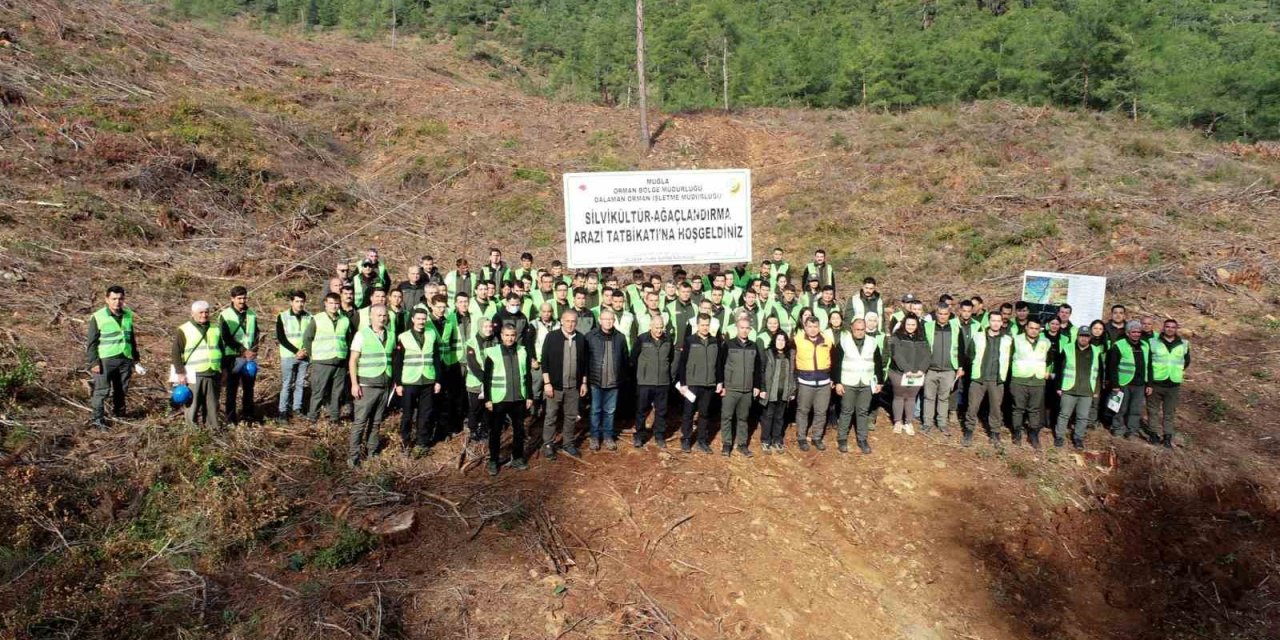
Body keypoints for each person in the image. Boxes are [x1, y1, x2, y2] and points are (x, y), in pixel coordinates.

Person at [483, 323, 534, 475]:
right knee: (495, 431)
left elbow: (528, 376)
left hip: (519, 398)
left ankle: (517, 458)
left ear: (516, 335)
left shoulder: (523, 351)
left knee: (519, 430)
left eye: (512, 335)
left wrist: (529, 396)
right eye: (506, 335)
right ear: (501, 336)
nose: (510, 338)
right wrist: (488, 399)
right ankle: (493, 460)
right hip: (499, 399)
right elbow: (487, 378)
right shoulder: (492, 352)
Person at [86, 284, 138, 429]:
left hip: (124, 358)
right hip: (105, 360)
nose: (117, 302)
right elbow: (91, 342)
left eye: (120, 299)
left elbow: (130, 336)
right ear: (107, 299)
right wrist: (93, 362)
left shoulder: (128, 315)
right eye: (114, 299)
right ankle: (98, 420)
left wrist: (135, 356)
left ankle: (119, 416)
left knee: (121, 389)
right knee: (102, 391)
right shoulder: (98, 317)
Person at [348, 305, 393, 467]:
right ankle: (353, 457)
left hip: (384, 384)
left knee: (376, 422)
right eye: (379, 315)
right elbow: (353, 360)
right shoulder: (362, 335)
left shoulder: (391, 335)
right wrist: (354, 383)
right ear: (371, 317)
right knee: (360, 422)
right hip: (366, 385)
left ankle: (372, 452)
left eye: (384, 315)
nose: (382, 318)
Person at [832, 318, 884, 454]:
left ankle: (862, 439)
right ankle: (842, 438)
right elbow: (836, 363)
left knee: (862, 412)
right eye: (857, 329)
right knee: (846, 411)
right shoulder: (843, 342)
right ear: (852, 329)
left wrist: (879, 382)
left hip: (866, 383)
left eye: (862, 329)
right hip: (848, 382)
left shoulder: (872, 342)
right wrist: (837, 382)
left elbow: (878, 363)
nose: (860, 332)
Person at [541, 309, 587, 459]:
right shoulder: (552, 337)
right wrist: (547, 383)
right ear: (561, 321)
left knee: (571, 416)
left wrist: (584, 383)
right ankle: (548, 443)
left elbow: (585, 364)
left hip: (573, 387)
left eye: (573, 321)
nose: (570, 324)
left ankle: (568, 443)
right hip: (554, 386)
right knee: (551, 416)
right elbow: (545, 361)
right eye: (567, 320)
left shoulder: (581, 339)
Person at [394, 308, 441, 455]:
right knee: (407, 414)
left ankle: (422, 443)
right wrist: (398, 383)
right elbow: (398, 362)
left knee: (425, 414)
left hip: (427, 379)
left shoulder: (432, 334)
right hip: (409, 380)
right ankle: (405, 443)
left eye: (423, 319)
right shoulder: (403, 337)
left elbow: (436, 359)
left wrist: (438, 380)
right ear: (413, 319)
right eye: (418, 319)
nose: (421, 321)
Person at [172, 300, 223, 429]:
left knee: (212, 405)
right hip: (193, 374)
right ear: (193, 314)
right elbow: (176, 352)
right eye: (200, 312)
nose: (204, 315)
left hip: (213, 372)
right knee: (192, 405)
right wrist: (180, 373)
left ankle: (213, 430)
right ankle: (192, 432)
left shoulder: (215, 329)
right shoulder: (184, 329)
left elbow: (220, 349)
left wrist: (224, 369)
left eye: (206, 312)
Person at [676, 313, 722, 453]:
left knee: (704, 413)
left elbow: (719, 364)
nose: (705, 327)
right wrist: (683, 383)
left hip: (708, 384)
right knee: (688, 413)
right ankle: (686, 439)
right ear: (697, 325)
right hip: (692, 384)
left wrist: (719, 381)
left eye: (707, 325)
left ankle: (702, 441)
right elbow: (682, 363)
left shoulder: (715, 341)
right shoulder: (690, 340)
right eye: (702, 325)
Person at [304, 292, 352, 424]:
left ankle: (335, 418)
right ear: (325, 304)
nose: (334, 306)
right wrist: (313, 354)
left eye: (336, 303)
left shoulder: (345, 320)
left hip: (340, 361)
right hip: (322, 361)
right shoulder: (317, 319)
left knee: (337, 393)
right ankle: (313, 417)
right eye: (331, 303)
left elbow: (348, 340)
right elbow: (307, 338)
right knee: (318, 392)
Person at [718, 317, 763, 457]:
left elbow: (757, 367)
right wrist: (722, 384)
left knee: (743, 418)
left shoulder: (753, 346)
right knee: (727, 417)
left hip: (747, 389)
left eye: (747, 328)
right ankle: (726, 444)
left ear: (750, 330)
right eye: (741, 327)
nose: (744, 330)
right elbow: (720, 365)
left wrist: (756, 385)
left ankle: (742, 444)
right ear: (737, 328)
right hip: (730, 388)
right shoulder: (728, 344)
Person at [965, 312, 1011, 446]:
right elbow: (969, 355)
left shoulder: (1008, 340)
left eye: (998, 320)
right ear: (989, 322)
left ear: (1002, 323)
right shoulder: (978, 337)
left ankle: (995, 432)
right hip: (979, 377)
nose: (996, 323)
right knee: (972, 406)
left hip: (997, 379)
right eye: (993, 320)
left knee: (996, 408)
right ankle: (968, 431)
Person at [585, 308, 628, 450]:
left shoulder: (620, 337)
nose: (608, 322)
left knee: (610, 411)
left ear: (614, 321)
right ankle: (595, 437)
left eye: (611, 319)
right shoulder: (591, 337)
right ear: (600, 320)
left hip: (613, 382)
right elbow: (585, 359)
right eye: (605, 319)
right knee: (596, 410)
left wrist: (622, 378)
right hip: (596, 381)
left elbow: (625, 359)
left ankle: (608, 436)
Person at [1055, 327, 1102, 449]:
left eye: (1086, 336)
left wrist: (1096, 390)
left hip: (1087, 390)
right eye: (1081, 335)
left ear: (1090, 338)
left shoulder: (1096, 351)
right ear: (1077, 336)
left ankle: (1078, 438)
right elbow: (1059, 369)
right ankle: (1059, 437)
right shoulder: (1068, 348)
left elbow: (1099, 373)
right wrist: (1059, 387)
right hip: (1069, 388)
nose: (1084, 338)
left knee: (1082, 416)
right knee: (1064, 414)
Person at [632, 314, 674, 448]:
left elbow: (671, 358)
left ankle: (659, 435)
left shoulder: (668, 340)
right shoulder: (642, 339)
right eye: (656, 327)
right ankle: (639, 435)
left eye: (661, 327)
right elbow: (634, 358)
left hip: (662, 382)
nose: (659, 330)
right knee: (641, 410)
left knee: (661, 410)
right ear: (650, 326)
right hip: (645, 382)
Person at [220, 286, 260, 424]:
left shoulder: (252, 314)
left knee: (249, 388)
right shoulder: (225, 315)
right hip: (232, 357)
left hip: (249, 357)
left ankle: (248, 415)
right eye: (239, 298)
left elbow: (256, 333)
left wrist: (254, 351)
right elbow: (225, 337)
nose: (242, 301)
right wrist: (243, 351)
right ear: (232, 299)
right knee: (232, 389)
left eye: (244, 298)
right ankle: (230, 418)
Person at [1147, 318, 1189, 448]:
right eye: (1167, 326)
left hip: (1173, 384)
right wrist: (1149, 382)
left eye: (1172, 327)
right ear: (1163, 328)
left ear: (1176, 329)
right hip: (1156, 382)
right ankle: (1153, 434)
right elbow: (1147, 363)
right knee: (1153, 411)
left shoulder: (1183, 344)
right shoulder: (1153, 342)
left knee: (1169, 413)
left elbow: (1186, 361)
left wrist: (1176, 371)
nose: (1170, 329)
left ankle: (1167, 437)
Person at [793, 315, 834, 451]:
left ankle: (816, 437)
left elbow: (834, 359)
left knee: (821, 411)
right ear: (805, 327)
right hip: (805, 381)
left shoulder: (827, 340)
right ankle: (801, 437)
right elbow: (791, 360)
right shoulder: (797, 340)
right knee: (803, 411)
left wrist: (833, 378)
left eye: (815, 326)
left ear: (819, 327)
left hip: (824, 382)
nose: (812, 329)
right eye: (809, 326)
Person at [1009, 318, 1051, 448]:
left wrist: (1047, 372)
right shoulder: (1016, 339)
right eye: (1031, 328)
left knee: (1035, 410)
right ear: (1026, 327)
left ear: (1040, 330)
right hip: (1019, 379)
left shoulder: (1045, 342)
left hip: (1037, 380)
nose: (1033, 331)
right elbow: (1009, 358)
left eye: (1036, 329)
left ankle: (1033, 435)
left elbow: (1048, 360)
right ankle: (1017, 433)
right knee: (1018, 409)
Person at [922, 304, 963, 435]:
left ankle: (942, 423)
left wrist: (960, 366)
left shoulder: (956, 327)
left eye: (945, 314)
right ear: (936, 313)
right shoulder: (928, 326)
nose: (942, 316)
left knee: (944, 398)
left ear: (949, 314)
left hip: (949, 369)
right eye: (940, 313)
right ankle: (927, 423)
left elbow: (961, 348)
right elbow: (922, 347)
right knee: (928, 397)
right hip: (931, 369)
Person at [1107, 319, 1150, 440]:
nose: (1136, 334)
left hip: (1140, 384)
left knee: (1135, 410)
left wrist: (1149, 383)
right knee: (1121, 408)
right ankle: (1117, 428)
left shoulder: (1145, 346)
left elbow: (1149, 365)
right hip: (1123, 382)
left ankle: (1132, 431)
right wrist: (1115, 384)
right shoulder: (1119, 346)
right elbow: (1112, 367)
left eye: (1138, 332)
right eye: (1134, 332)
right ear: (1127, 333)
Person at [886, 314, 928, 435]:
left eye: (913, 324)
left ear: (917, 325)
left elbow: (927, 355)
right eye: (908, 324)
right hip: (899, 372)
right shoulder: (896, 337)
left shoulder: (922, 338)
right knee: (899, 396)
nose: (910, 327)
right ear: (904, 324)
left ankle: (908, 422)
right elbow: (896, 355)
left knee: (911, 397)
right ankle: (898, 422)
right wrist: (907, 369)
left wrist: (921, 369)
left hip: (917, 373)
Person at [275, 290, 311, 420]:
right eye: (297, 301)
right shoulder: (282, 316)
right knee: (287, 384)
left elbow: (311, 336)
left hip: (305, 355)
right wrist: (296, 351)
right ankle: (282, 411)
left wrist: (305, 351)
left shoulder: (309, 317)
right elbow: (281, 337)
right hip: (288, 355)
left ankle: (297, 408)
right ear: (291, 302)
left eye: (302, 301)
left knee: (300, 383)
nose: (300, 304)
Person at [758, 331, 795, 454]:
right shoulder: (768, 353)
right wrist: (762, 389)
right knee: (768, 417)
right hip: (770, 391)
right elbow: (762, 372)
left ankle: (777, 440)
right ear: (774, 340)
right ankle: (765, 441)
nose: (781, 342)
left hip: (784, 391)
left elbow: (794, 373)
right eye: (778, 340)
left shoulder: (790, 354)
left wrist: (793, 390)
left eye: (783, 340)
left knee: (780, 417)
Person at [465, 318, 498, 439]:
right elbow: (473, 365)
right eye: (485, 327)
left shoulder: (495, 341)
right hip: (475, 381)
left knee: (488, 407)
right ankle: (473, 429)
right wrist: (485, 380)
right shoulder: (471, 343)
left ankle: (485, 428)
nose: (488, 329)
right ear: (480, 327)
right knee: (475, 407)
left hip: (491, 381)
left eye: (490, 326)